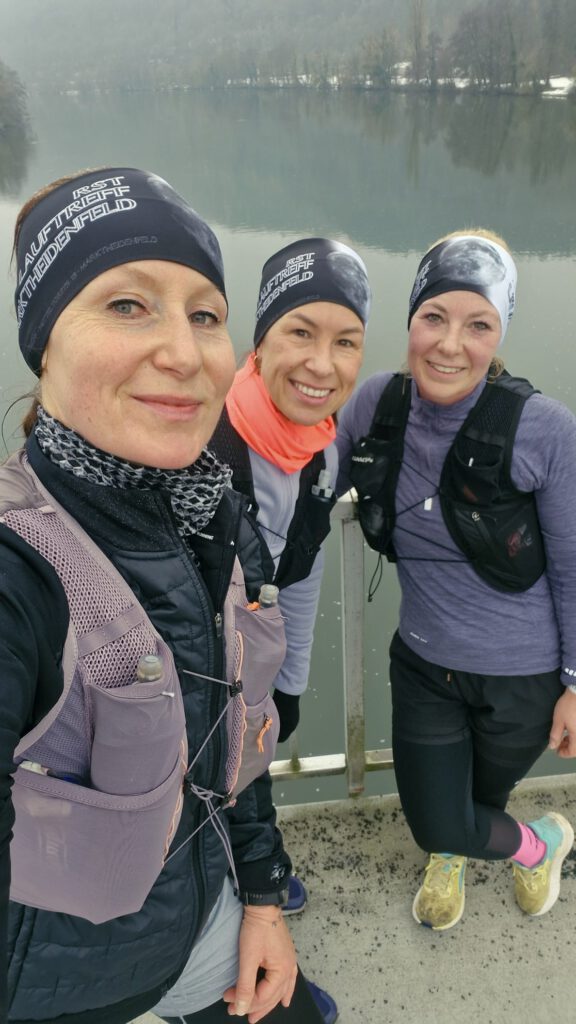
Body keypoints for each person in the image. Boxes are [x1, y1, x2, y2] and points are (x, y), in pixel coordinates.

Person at [0, 167, 329, 1024]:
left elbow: (239, 746)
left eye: (206, 314)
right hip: (65, 995)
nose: (185, 354)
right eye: (126, 305)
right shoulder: (20, 570)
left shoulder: (214, 514)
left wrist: (260, 900)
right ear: (45, 342)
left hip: (205, 925)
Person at [336, 229, 576, 932]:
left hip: (524, 680)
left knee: (482, 797)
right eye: (433, 317)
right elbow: (304, 462)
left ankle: (466, 850)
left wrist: (575, 684)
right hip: (425, 668)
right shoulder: (379, 403)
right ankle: (540, 844)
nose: (449, 344)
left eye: (478, 325)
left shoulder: (544, 428)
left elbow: (572, 562)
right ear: (410, 320)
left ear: (500, 335)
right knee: (436, 817)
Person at [209, 238, 370, 919]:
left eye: (346, 341)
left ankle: (252, 879)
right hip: (180, 675)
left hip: (255, 674)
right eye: (300, 331)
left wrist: (292, 687)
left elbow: (302, 571)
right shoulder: (200, 437)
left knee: (250, 772)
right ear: (260, 343)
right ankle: (231, 895)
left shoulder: (323, 450)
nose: (320, 364)